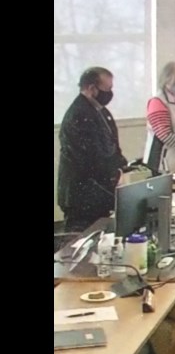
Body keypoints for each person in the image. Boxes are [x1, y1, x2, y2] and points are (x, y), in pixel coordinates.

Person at [57, 67, 129, 233]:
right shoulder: (79, 115)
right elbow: (92, 157)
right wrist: (115, 173)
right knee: (79, 242)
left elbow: (111, 145)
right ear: (91, 88)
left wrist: (121, 166)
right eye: (107, 89)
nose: (110, 93)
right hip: (82, 196)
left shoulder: (99, 110)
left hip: (97, 191)